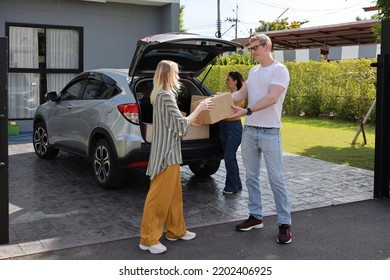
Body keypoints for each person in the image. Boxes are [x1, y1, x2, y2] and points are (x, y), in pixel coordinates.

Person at [139, 60, 214, 254]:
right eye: (176, 73)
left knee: (173, 196)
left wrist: (191, 121)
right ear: (168, 75)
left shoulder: (163, 96)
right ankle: (147, 239)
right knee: (158, 199)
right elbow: (180, 125)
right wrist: (200, 108)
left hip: (171, 153)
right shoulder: (165, 97)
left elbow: (175, 124)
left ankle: (176, 231)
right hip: (165, 155)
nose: (179, 77)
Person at [229, 33, 292, 244]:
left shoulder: (279, 70)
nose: (252, 52)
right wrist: (213, 101)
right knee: (251, 177)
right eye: (250, 48)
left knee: (277, 179)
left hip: (270, 132)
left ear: (267, 47)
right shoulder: (253, 71)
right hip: (250, 132)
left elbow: (272, 98)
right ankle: (255, 217)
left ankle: (284, 223)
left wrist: (246, 111)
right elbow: (238, 95)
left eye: (255, 47)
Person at [219, 71, 245, 194]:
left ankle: (231, 186)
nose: (226, 82)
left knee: (229, 157)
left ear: (235, 81)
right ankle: (237, 184)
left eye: (228, 80)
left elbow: (233, 112)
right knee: (230, 157)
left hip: (234, 128)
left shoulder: (239, 95)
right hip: (224, 127)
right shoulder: (229, 95)